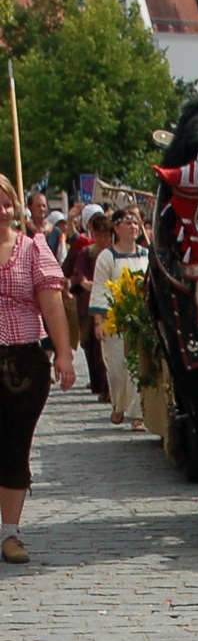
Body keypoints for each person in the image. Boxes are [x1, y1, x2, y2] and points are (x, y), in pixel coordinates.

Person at [0, 172, 75, 564]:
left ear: (14, 206)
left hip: (24, 362)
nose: (0, 208)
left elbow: (52, 304)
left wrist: (63, 354)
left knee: (15, 446)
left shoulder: (32, 248)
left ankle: (10, 533)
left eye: (5, 200)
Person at [90, 207, 148, 428]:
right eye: (128, 223)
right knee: (117, 369)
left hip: (140, 321)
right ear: (116, 227)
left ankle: (137, 414)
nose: (133, 227)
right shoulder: (107, 257)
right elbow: (100, 289)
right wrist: (99, 321)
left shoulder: (146, 255)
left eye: (136, 223)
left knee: (138, 366)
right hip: (116, 320)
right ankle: (118, 404)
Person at [64, 210, 111, 400]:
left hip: (110, 306)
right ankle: (98, 383)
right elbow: (77, 272)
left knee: (107, 347)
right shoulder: (87, 252)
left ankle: (108, 386)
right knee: (90, 344)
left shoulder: (113, 253)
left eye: (105, 235)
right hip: (88, 304)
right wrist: (83, 283)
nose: (102, 239)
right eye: (98, 234)